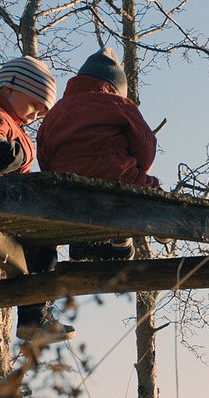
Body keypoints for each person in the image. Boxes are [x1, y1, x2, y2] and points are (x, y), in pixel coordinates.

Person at [0, 55, 75, 344]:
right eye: (35, 106)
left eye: (42, 114)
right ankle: (34, 317)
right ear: (11, 87)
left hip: (1, 202)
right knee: (42, 240)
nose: (35, 117)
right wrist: (20, 154)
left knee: (41, 248)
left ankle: (34, 315)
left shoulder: (1, 114)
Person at [36, 47, 160, 261]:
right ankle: (124, 238)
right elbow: (146, 147)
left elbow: (43, 152)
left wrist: (54, 172)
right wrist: (140, 169)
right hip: (116, 177)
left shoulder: (57, 111)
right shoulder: (121, 104)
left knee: (75, 205)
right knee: (150, 189)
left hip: (64, 187)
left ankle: (80, 244)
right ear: (116, 87)